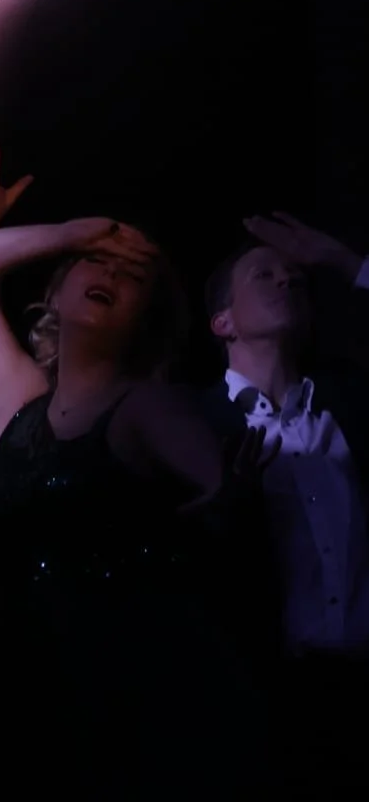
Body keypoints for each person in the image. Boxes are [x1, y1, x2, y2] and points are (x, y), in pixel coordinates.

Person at [0, 213, 266, 790]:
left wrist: (221, 503)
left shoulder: (146, 407)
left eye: (132, 273)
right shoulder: (16, 405)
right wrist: (78, 231)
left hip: (112, 711)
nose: (110, 271)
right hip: (3, 696)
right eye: (94, 260)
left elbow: (217, 493)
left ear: (150, 316)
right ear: (54, 294)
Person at [202, 208, 369, 770]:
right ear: (222, 321)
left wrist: (343, 261)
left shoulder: (351, 403)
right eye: (263, 274)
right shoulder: (193, 423)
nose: (287, 279)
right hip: (262, 713)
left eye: (295, 276)